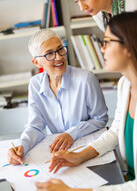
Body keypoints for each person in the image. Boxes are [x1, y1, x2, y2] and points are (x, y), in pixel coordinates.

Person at [35, 10, 137, 191]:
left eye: (107, 42)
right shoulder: (126, 84)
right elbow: (116, 130)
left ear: (130, 47)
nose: (102, 49)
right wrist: (79, 155)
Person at [7, 29, 108, 165]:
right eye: (49, 53)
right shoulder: (35, 84)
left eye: (61, 49)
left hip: (86, 149)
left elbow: (100, 119)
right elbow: (35, 126)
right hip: (58, 152)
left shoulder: (86, 79)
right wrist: (22, 146)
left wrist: (72, 133)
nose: (59, 57)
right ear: (36, 62)